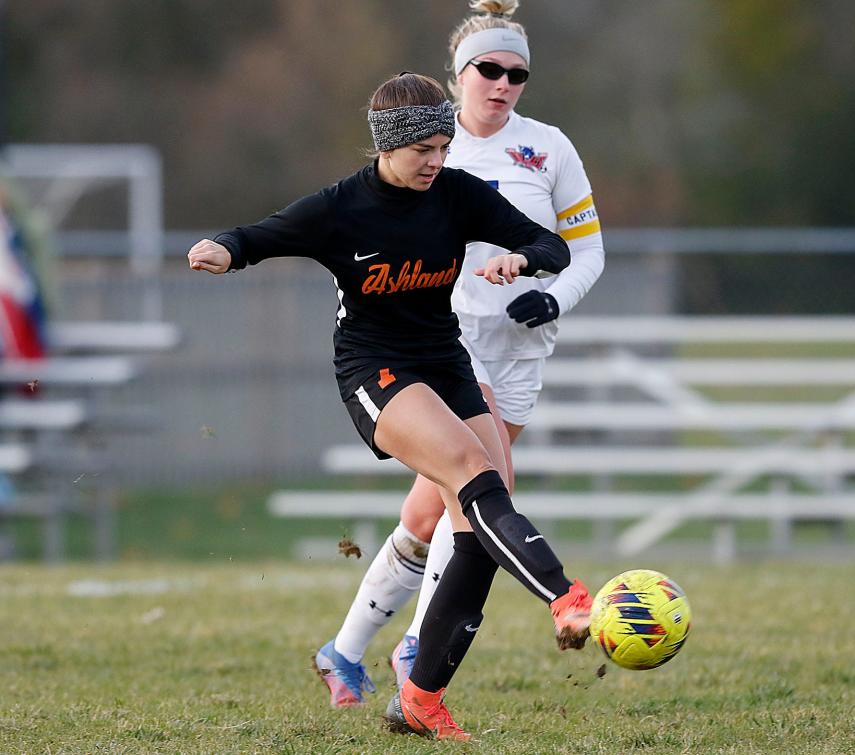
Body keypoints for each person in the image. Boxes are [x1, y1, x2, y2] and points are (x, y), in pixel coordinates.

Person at [187, 71, 593, 741]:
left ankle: (420, 701)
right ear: (388, 145)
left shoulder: (457, 194)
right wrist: (224, 249)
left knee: (480, 527)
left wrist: (520, 260)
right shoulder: (343, 207)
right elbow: (260, 235)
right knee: (471, 468)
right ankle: (563, 594)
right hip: (375, 369)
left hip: (445, 361)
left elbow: (552, 245)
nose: (437, 161)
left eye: (443, 145)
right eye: (424, 150)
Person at [318, 0, 605, 711]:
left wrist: (552, 296)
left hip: (521, 354)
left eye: (517, 73)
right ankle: (418, 649)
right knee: (479, 492)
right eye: (490, 69)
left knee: (431, 514)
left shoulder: (551, 148)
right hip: (447, 350)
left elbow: (588, 250)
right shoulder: (426, 147)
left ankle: (345, 650)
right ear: (458, 72)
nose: (503, 83)